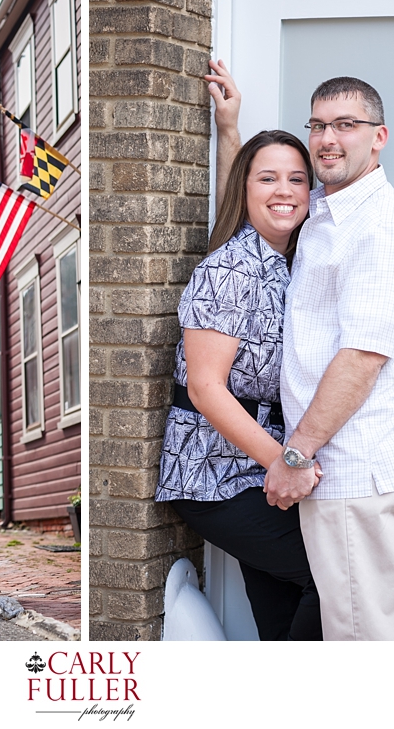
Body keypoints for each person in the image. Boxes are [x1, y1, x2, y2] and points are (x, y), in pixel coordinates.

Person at [212, 62, 394, 640]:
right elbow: (257, 201)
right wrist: (229, 131)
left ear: (378, 136)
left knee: (368, 637)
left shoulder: (380, 229)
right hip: (333, 469)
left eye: (346, 125)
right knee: (350, 629)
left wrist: (294, 456)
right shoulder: (326, 214)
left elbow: (362, 359)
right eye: (317, 125)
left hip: (355, 466)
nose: (328, 139)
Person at [155, 128, 322, 640]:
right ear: (245, 189)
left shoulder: (291, 260)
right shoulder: (229, 267)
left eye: (297, 178)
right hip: (213, 474)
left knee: (285, 605)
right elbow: (206, 389)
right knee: (329, 578)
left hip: (257, 467)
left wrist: (229, 129)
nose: (284, 190)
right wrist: (283, 462)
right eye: (267, 178)